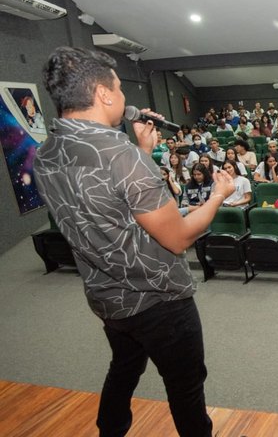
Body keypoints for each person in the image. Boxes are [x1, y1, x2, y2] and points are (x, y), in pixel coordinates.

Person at [33, 47, 235, 437]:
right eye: (119, 88)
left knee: (124, 368)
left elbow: (104, 205)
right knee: (186, 385)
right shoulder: (120, 156)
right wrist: (217, 195)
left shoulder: (47, 151)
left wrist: (142, 151)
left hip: (106, 296)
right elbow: (178, 238)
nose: (124, 96)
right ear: (103, 94)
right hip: (157, 299)